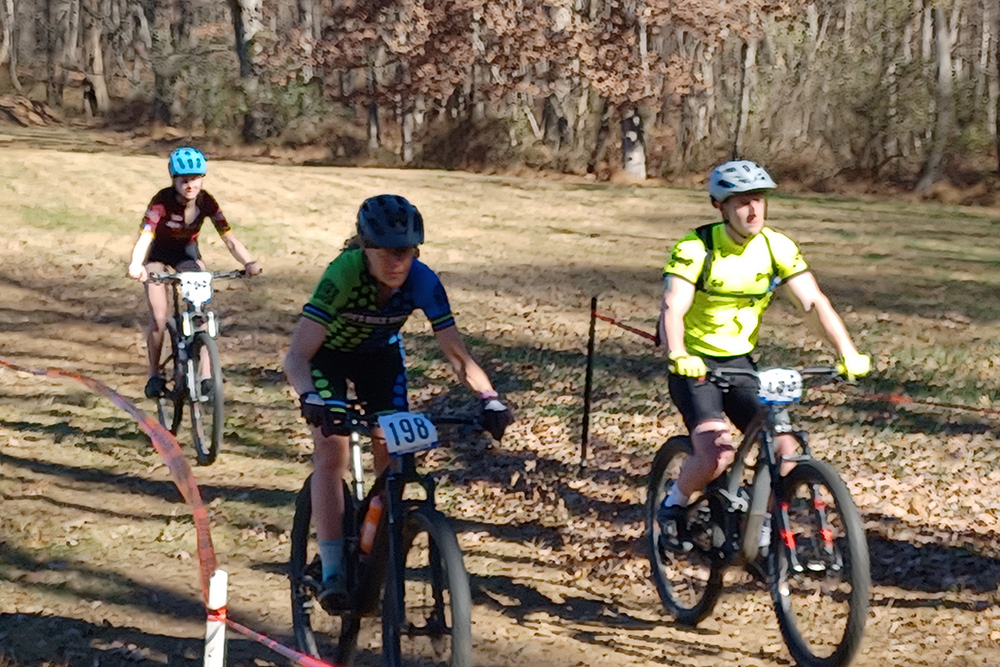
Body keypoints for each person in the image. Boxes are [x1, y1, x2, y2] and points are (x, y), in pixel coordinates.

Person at [283, 194, 514, 605]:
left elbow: (459, 357)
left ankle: (371, 533)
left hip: (380, 361)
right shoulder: (343, 274)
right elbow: (297, 356)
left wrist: (490, 398)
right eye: (387, 253)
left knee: (393, 456)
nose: (397, 262)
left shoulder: (424, 281)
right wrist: (310, 397)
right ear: (365, 248)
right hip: (327, 360)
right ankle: (333, 568)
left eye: (406, 252)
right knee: (331, 448)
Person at [656, 159, 871, 551]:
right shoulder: (696, 247)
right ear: (721, 207)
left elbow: (812, 303)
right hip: (695, 364)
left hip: (741, 365)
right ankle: (673, 504)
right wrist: (678, 352)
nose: (753, 210)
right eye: (741, 202)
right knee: (715, 456)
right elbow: (674, 306)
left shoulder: (776, 246)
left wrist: (847, 352)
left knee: (785, 449)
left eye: (758, 200)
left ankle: (763, 526)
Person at [127, 147, 262, 399]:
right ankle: (154, 374)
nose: (190, 185)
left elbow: (229, 238)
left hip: (186, 254)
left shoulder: (207, 202)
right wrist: (136, 264)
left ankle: (207, 375)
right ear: (174, 180)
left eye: (196, 178)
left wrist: (248, 262)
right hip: (156, 256)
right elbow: (145, 236)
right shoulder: (161, 202)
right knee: (158, 317)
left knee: (201, 311)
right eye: (184, 180)